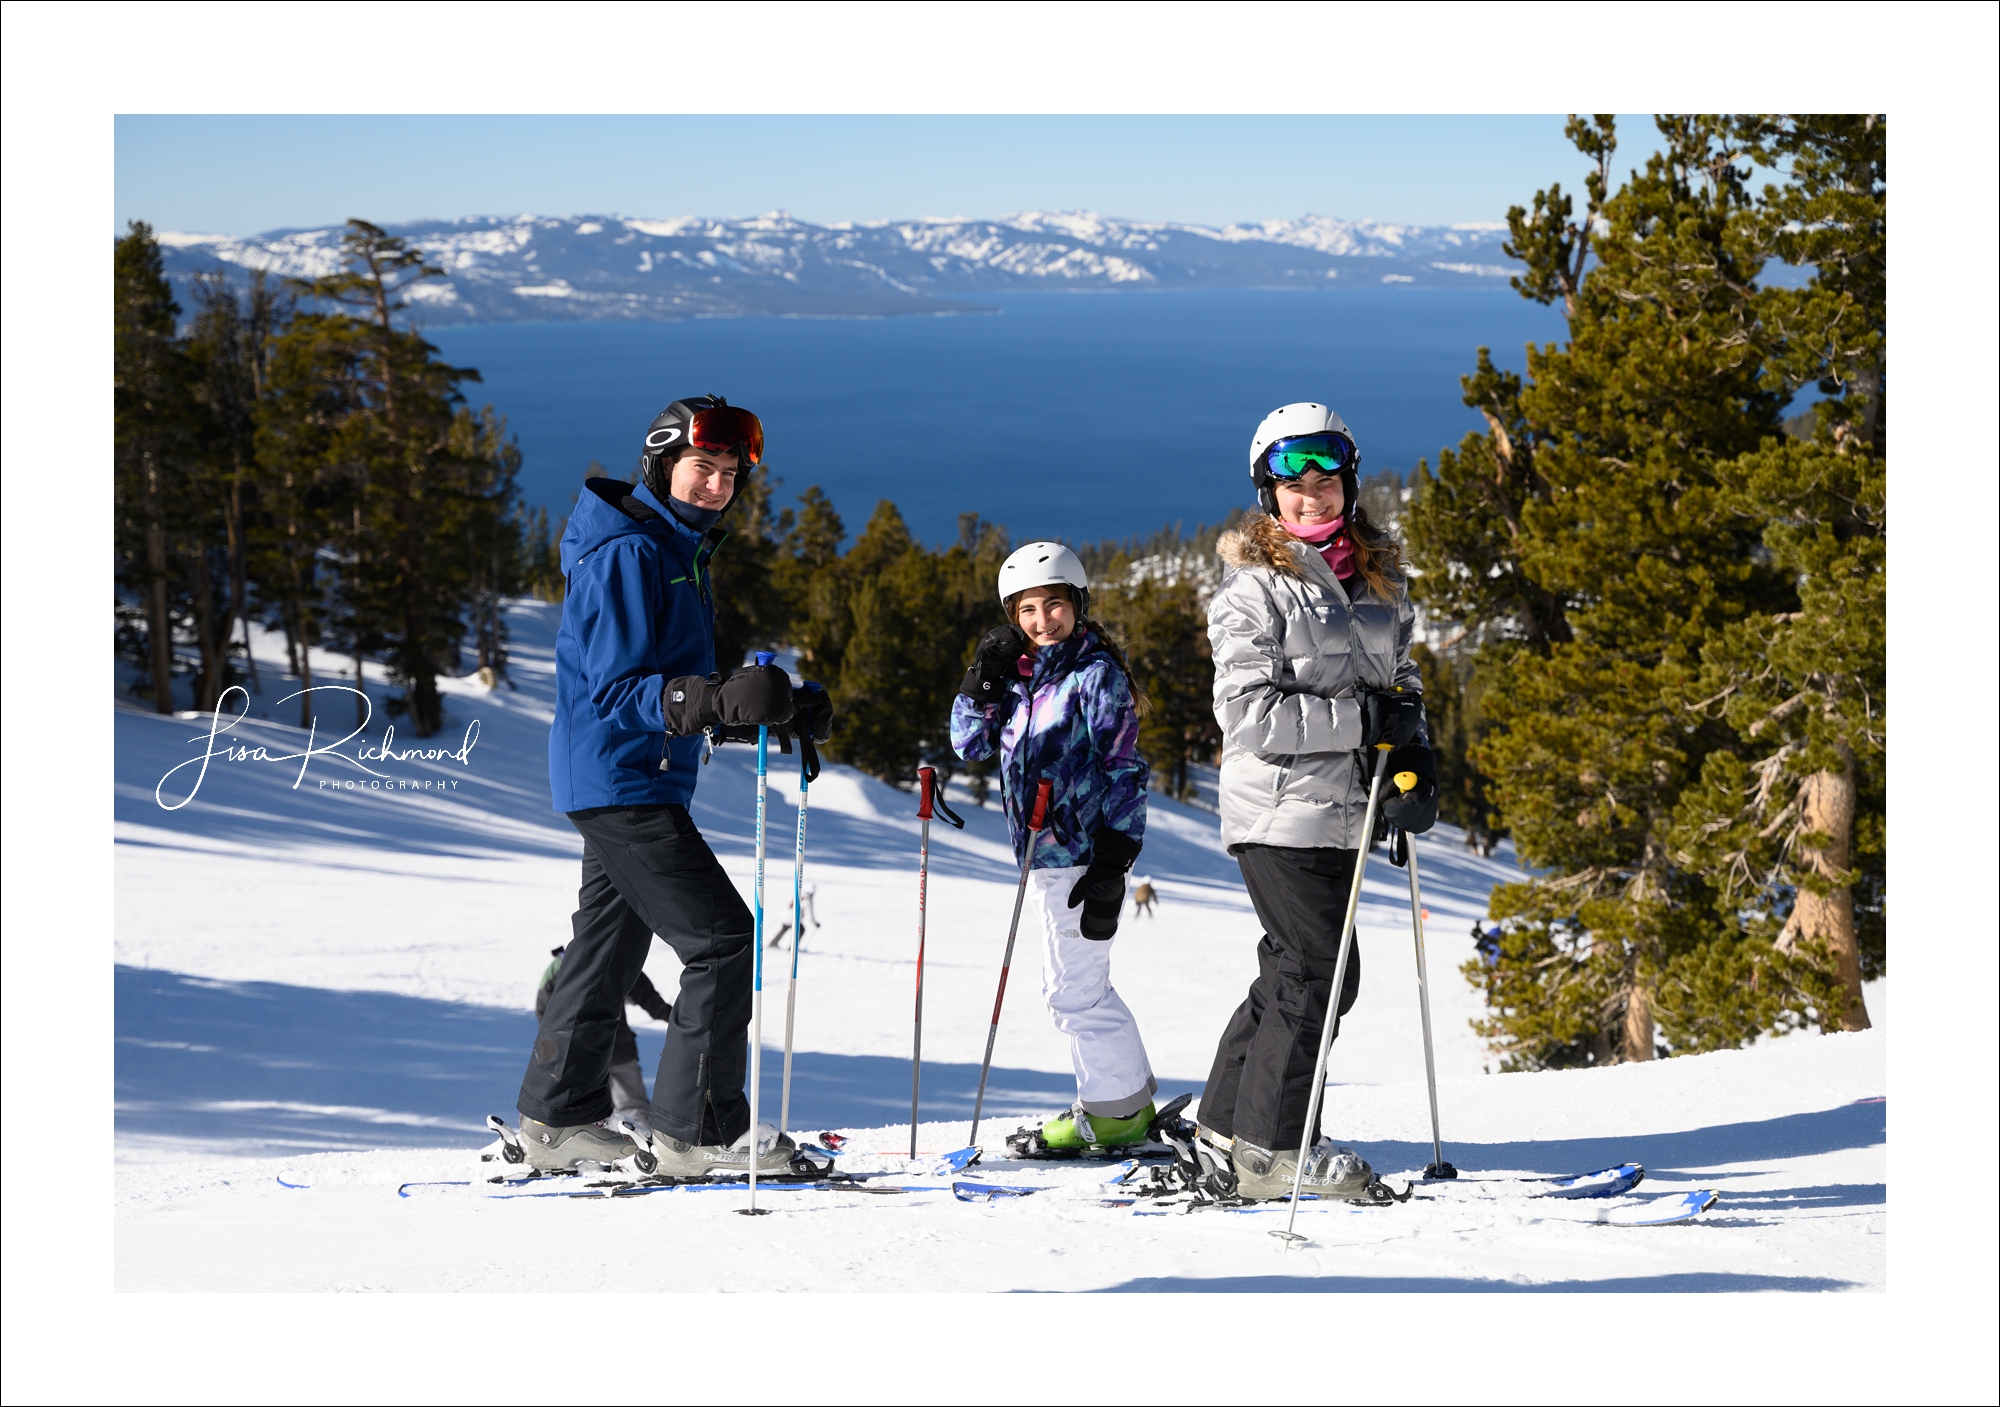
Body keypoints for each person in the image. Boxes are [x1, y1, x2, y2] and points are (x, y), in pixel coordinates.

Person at [514, 395, 834, 1174]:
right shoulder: (631, 553)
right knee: (723, 940)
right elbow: (616, 692)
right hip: (621, 779)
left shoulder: (673, 548)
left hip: (626, 774)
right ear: (662, 464)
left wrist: (762, 711)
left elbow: (669, 692)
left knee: (607, 945)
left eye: (729, 473)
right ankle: (699, 1131)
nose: (716, 484)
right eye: (703, 467)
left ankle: (556, 1120)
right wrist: (713, 699)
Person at [1193, 403, 1439, 1200]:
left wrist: (1411, 757)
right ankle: (1275, 1153)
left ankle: (1227, 1127)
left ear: (1348, 486)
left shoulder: (1377, 583)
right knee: (1319, 971)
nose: (1312, 498)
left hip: (1344, 808)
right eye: (1293, 486)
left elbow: (1400, 681)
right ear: (1269, 495)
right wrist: (1363, 721)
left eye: (1326, 483)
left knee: (1295, 968)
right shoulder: (1253, 592)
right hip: (1277, 805)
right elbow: (1250, 716)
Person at [951, 543, 1156, 1153]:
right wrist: (980, 680)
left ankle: (1117, 1112)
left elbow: (1125, 766)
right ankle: (1121, 1101)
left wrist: (1116, 859)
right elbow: (969, 745)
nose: (1043, 621)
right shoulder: (1019, 679)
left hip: (1081, 854)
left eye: (1055, 605)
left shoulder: (1095, 676)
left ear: (1078, 604)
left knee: (1075, 991)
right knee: (1070, 986)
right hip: (1042, 860)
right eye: (1028, 610)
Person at [533, 946, 674, 1133]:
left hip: (576, 1055)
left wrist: (559, 1047)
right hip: (617, 1047)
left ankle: (592, 1159)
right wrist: (679, 1020)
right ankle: (649, 1154)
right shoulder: (617, 960)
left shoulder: (558, 967)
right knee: (632, 1106)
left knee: (587, 1111)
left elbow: (543, 1012)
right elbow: (650, 999)